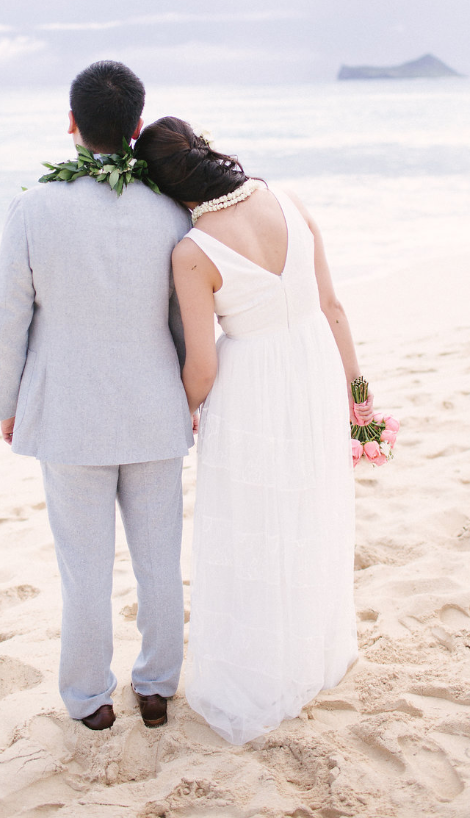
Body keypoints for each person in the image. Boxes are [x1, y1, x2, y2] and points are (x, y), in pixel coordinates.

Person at [133, 116, 372, 745]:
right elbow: (333, 306)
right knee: (309, 508)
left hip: (254, 389)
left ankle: (264, 671)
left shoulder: (193, 251)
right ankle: (311, 654)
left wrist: (183, 410)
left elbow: (202, 365)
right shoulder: (289, 201)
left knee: (254, 523)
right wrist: (358, 392)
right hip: (315, 370)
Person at [0, 62, 193, 732]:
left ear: (71, 123)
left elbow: (10, 316)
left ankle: (89, 699)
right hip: (157, 407)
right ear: (135, 127)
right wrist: (193, 396)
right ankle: (158, 684)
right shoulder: (169, 211)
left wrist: (7, 401)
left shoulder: (31, 207)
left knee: (83, 568)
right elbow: (183, 318)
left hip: (68, 414)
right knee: (160, 558)